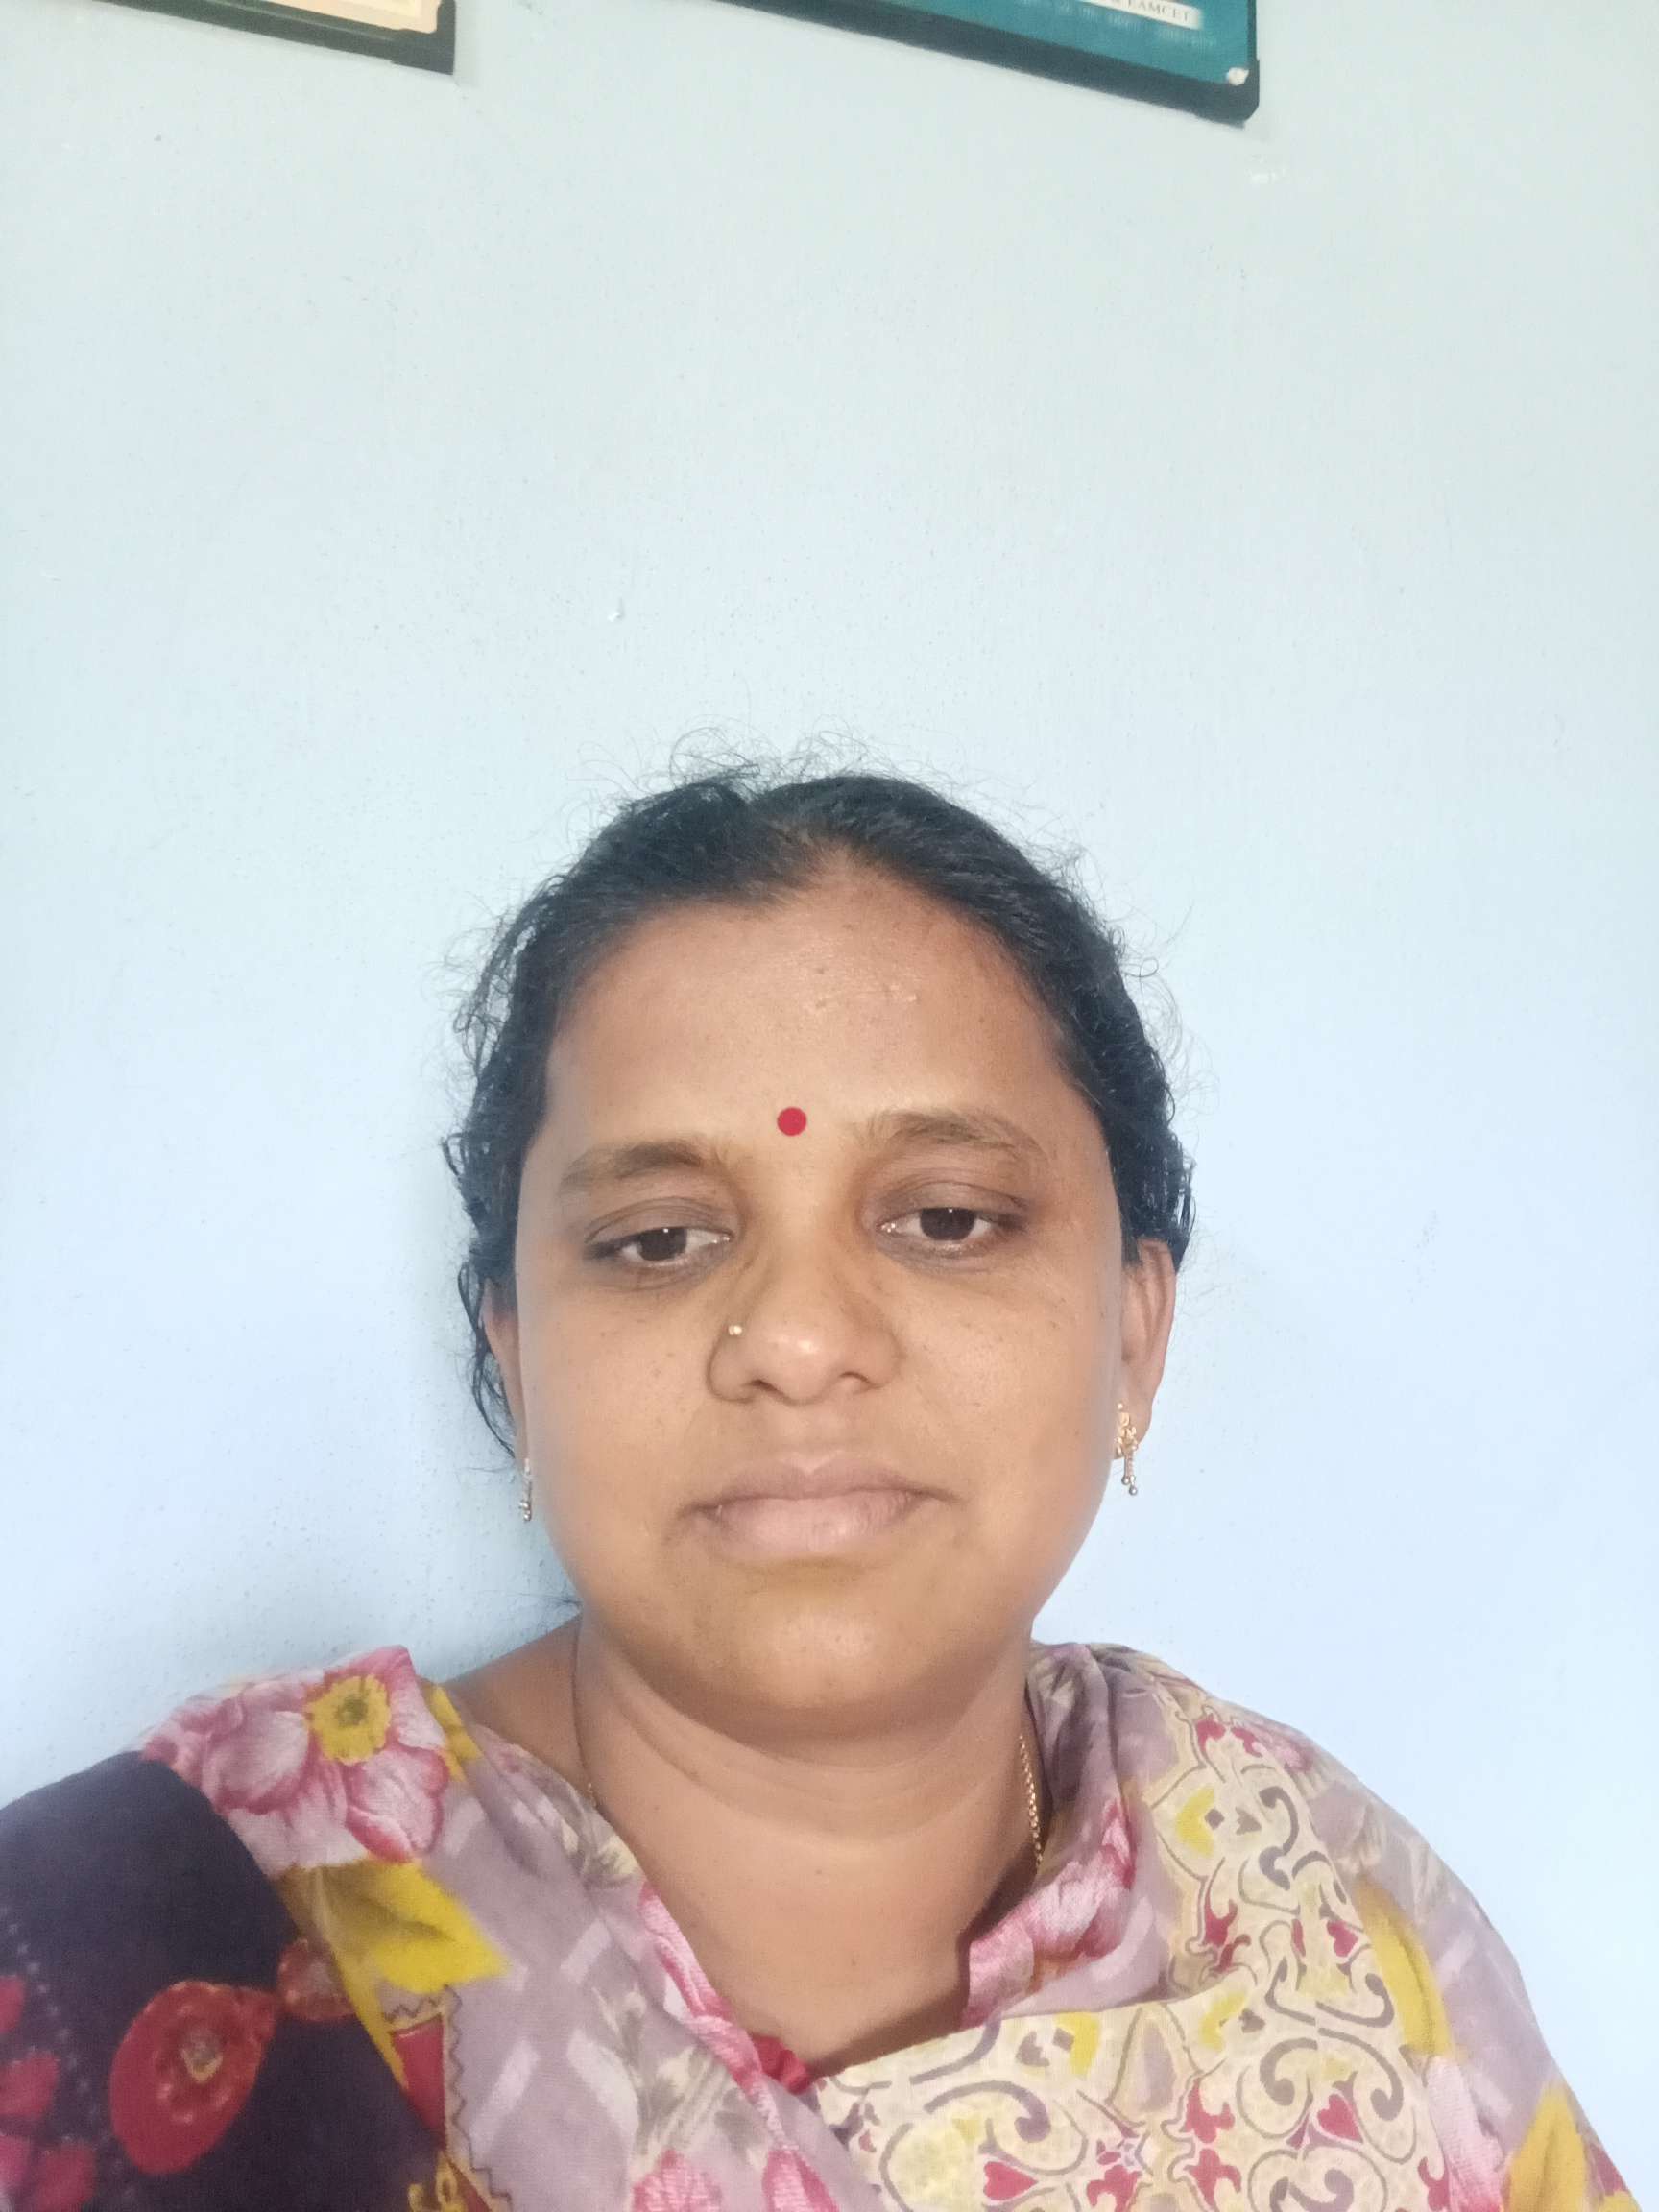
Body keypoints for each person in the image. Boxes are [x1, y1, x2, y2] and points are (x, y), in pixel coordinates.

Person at [0, 759, 1634, 2212]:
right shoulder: (150, 1931)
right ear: (517, 1357)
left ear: (1134, 1338)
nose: (794, 1340)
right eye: (659, 1239)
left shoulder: (1321, 1902)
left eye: (947, 1219)